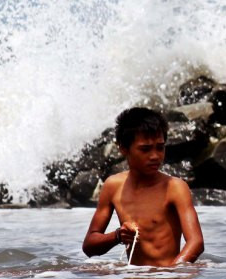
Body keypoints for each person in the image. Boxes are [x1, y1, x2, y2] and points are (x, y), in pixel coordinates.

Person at [82, 107, 204, 266]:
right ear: (124, 149)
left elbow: (196, 242)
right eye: (145, 149)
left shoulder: (175, 188)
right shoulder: (113, 186)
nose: (155, 156)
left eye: (160, 147)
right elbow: (89, 246)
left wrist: (172, 273)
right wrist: (118, 236)